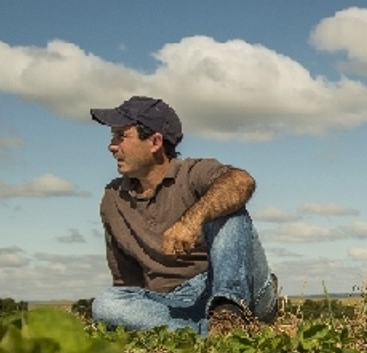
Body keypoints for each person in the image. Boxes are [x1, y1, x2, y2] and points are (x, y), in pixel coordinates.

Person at [89, 95, 277, 335]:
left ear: (155, 141)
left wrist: (191, 221)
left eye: (121, 136)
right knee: (105, 304)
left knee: (226, 201)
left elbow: (242, 182)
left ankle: (229, 312)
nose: (112, 146)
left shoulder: (192, 172)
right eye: (112, 137)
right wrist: (130, 314)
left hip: (239, 288)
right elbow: (128, 282)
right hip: (174, 304)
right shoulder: (113, 197)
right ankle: (211, 332)